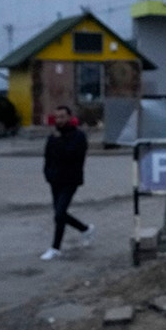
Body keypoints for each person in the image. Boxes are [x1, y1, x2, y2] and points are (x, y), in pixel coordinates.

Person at [41, 106, 94, 260]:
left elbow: (70, 155)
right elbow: (47, 157)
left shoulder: (78, 136)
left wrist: (58, 141)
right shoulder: (53, 136)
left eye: (62, 117)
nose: (59, 120)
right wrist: (47, 173)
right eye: (57, 117)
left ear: (69, 117)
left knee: (59, 213)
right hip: (55, 180)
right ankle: (85, 229)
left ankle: (55, 248)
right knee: (60, 214)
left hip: (70, 180)